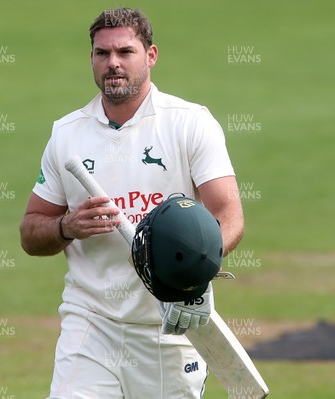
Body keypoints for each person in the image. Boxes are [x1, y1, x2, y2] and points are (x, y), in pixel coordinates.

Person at [20, 7, 244, 398]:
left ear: (151, 55)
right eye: (102, 53)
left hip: (170, 327)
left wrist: (195, 261)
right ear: (91, 58)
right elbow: (31, 231)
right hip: (91, 325)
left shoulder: (190, 123)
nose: (113, 64)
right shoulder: (66, 135)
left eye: (125, 52)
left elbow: (229, 215)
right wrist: (65, 227)